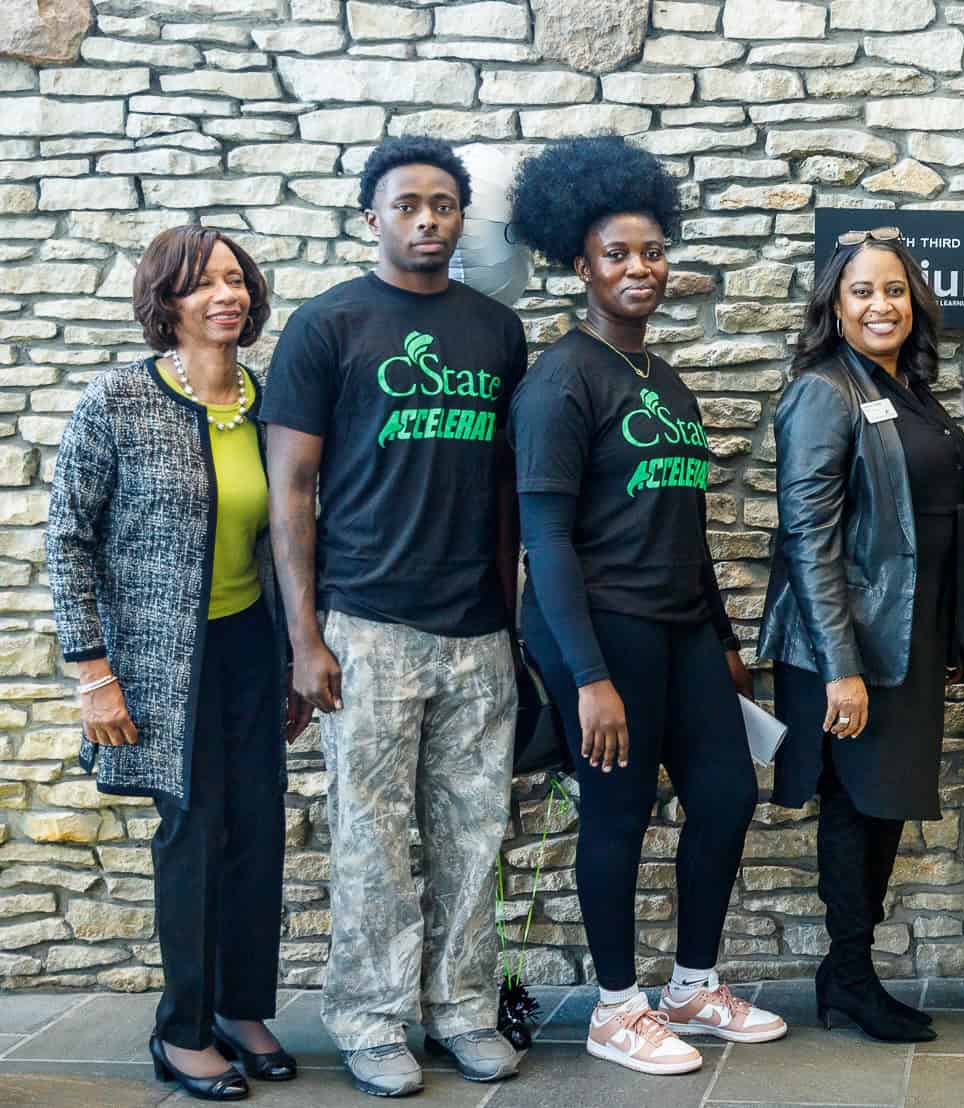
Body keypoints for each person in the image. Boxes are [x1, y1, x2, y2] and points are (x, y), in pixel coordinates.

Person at [507, 136, 786, 1077]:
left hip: (679, 631)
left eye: (653, 251)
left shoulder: (665, 382)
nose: (640, 268)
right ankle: (615, 1009)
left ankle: (690, 986)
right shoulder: (560, 382)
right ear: (580, 265)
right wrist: (587, 677)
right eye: (617, 254)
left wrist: (724, 638)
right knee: (617, 816)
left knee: (724, 795)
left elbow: (686, 525)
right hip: (602, 632)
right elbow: (544, 541)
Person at [260, 136, 527, 1097]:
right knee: (372, 841)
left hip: (477, 627)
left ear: (462, 219)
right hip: (366, 623)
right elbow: (292, 490)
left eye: (444, 205)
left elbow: (505, 491)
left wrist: (514, 619)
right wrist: (306, 637)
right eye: (407, 204)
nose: (427, 220)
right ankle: (371, 1021)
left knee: (473, 831)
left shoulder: (498, 334)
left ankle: (460, 1009)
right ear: (370, 215)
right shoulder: (327, 325)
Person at [47, 226, 309, 1101]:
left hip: (248, 650)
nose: (225, 296)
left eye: (236, 280)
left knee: (257, 832)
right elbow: (68, 539)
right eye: (202, 284)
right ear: (167, 300)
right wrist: (93, 670)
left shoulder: (265, 398)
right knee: (192, 837)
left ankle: (242, 1009)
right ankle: (182, 1029)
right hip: (163, 664)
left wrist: (295, 657)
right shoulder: (119, 398)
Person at [758, 227, 964, 1043]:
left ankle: (845, 973)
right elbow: (808, 538)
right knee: (856, 809)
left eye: (894, 290)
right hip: (848, 646)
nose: (880, 304)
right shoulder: (825, 391)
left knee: (879, 809)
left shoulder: (905, 390)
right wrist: (839, 667)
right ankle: (849, 978)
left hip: (905, 641)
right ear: (836, 308)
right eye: (862, 291)